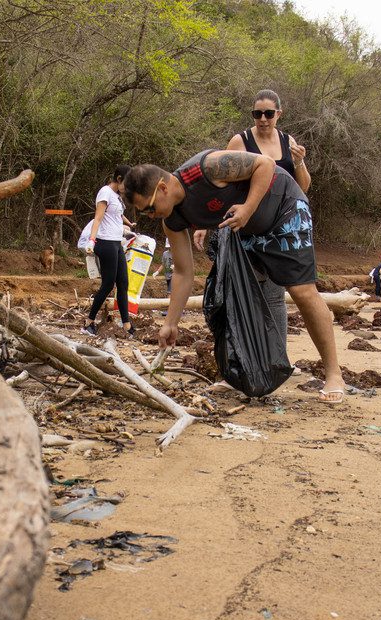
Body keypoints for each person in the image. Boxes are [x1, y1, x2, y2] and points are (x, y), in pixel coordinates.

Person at [124, 150, 348, 403]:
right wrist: (171, 323)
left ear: (163, 187)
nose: (151, 216)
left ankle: (333, 374)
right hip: (244, 230)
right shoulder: (172, 220)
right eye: (144, 213)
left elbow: (265, 164)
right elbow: (183, 272)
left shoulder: (205, 169)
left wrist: (248, 208)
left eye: (150, 208)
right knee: (232, 296)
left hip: (284, 209)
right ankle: (241, 372)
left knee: (301, 291)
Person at [194, 89, 311, 335]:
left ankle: (276, 357)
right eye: (257, 114)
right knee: (242, 291)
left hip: (280, 225)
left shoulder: (288, 142)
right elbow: (220, 183)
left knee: (276, 295)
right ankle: (245, 351)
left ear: (279, 113)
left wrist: (298, 162)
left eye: (269, 113)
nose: (263, 119)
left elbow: (302, 187)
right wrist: (205, 221)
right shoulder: (240, 141)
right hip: (246, 225)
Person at [82, 165, 135, 337]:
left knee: (123, 283)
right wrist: (91, 240)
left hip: (116, 242)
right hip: (105, 242)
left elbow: (117, 215)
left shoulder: (116, 196)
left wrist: (129, 225)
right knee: (108, 284)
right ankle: (88, 322)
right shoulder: (105, 192)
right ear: (119, 179)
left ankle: (126, 325)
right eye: (126, 183)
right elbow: (98, 218)